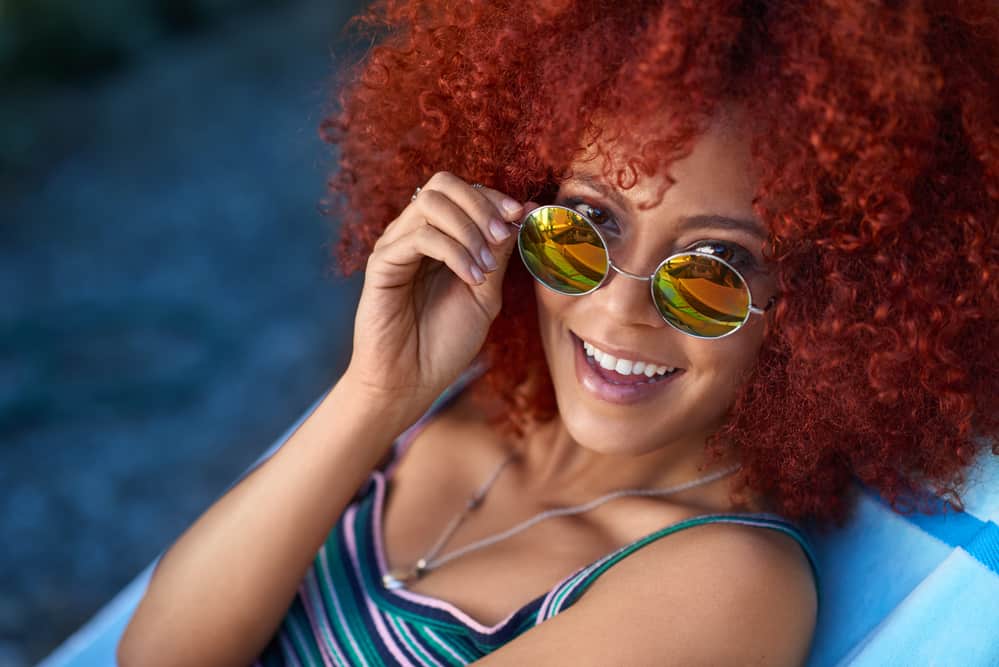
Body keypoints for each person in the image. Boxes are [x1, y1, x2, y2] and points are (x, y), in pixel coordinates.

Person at [117, 0, 999, 665]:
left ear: (823, 307)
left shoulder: (724, 587)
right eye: (582, 228)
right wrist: (374, 394)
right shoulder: (440, 405)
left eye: (710, 271)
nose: (618, 310)